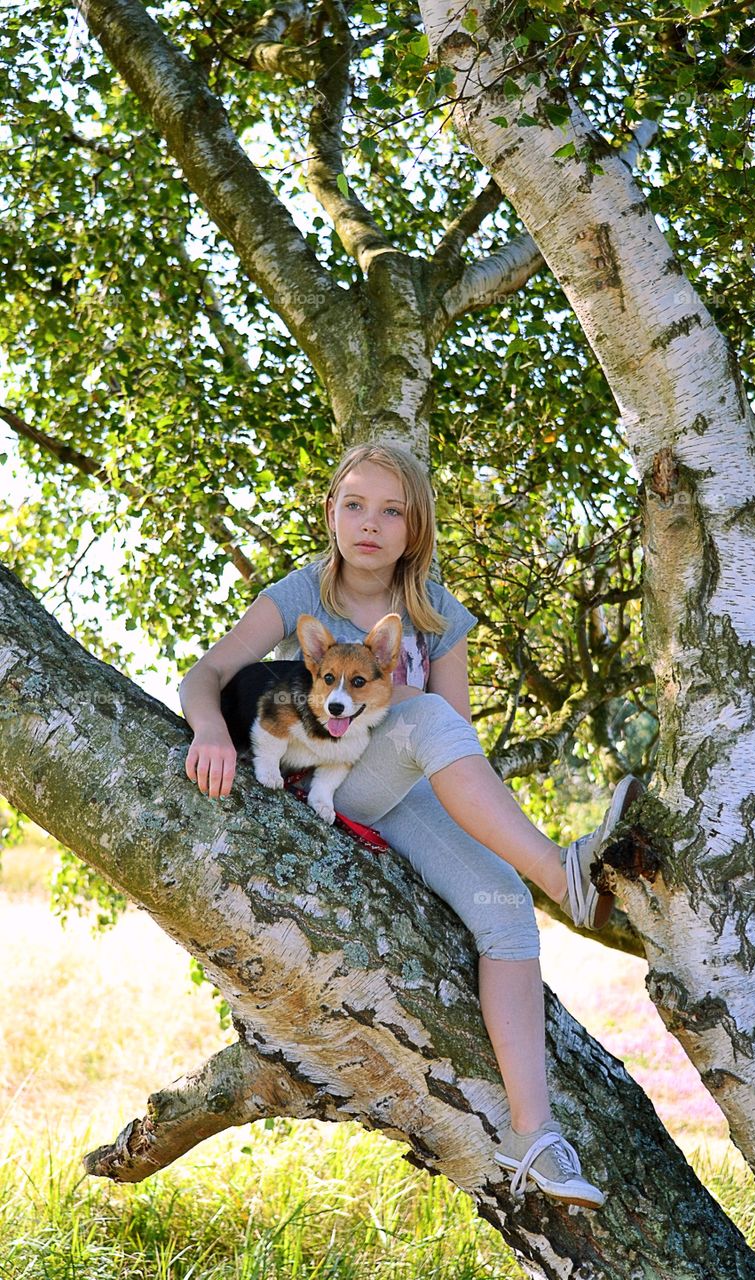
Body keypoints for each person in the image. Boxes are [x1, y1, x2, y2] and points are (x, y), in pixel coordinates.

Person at [180, 441, 642, 1209]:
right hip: (331, 783)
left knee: (505, 910)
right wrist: (211, 732)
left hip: (406, 792)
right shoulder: (300, 594)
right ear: (331, 514)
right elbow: (205, 675)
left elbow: (454, 737)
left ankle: (537, 1140)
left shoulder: (435, 613)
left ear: (415, 526)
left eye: (392, 510)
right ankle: (565, 870)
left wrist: (472, 826)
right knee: (421, 713)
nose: (371, 524)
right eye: (355, 505)